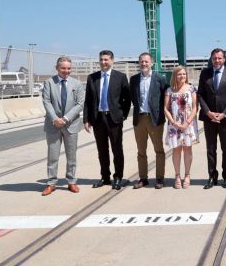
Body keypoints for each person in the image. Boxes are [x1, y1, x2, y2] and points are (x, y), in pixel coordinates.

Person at [83, 50, 131, 190]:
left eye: (106, 60)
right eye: (101, 60)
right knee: (102, 150)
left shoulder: (120, 77)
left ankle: (118, 177)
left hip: (114, 119)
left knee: (117, 149)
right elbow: (88, 100)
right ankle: (105, 177)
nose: (103, 62)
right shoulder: (92, 78)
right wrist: (86, 119)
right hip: (98, 119)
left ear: (112, 61)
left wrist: (122, 115)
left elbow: (127, 99)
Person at [41, 57, 85, 196]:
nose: (66, 71)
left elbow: (80, 104)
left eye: (68, 68)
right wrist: (55, 119)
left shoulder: (77, 84)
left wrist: (65, 119)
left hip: (71, 124)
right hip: (53, 125)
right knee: (53, 156)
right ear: (57, 68)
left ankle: (71, 181)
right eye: (63, 68)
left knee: (71, 156)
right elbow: (46, 102)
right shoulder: (49, 83)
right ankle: (51, 183)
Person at [198, 48, 226, 189]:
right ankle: (212, 176)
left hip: (225, 119)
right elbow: (200, 95)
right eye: (214, 58)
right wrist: (208, 112)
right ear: (211, 59)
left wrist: (224, 113)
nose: (217, 61)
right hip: (209, 118)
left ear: (224, 59)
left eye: (219, 58)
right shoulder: (204, 74)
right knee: (211, 149)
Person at [130, 52, 169, 189]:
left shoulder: (160, 78)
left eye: (146, 61)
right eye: (141, 61)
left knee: (158, 150)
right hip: (139, 119)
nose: (144, 64)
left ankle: (159, 178)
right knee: (141, 151)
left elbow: (166, 98)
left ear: (152, 63)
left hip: (155, 119)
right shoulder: (134, 79)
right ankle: (143, 178)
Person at [164, 66, 199, 189]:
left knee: (188, 150)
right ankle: (177, 175)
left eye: (184, 74)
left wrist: (187, 122)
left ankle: (187, 175)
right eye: (179, 74)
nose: (182, 76)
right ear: (175, 76)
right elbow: (165, 108)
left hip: (188, 124)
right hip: (174, 125)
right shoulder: (169, 90)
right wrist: (173, 122)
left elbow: (195, 107)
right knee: (176, 150)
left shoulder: (191, 89)